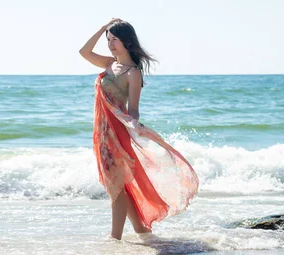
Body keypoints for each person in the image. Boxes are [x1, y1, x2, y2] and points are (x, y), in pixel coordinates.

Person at [79, 18, 199, 240]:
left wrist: (135, 128)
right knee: (118, 185)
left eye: (115, 40)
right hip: (102, 133)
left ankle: (114, 239)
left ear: (127, 42)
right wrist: (102, 28)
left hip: (118, 133)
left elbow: (133, 110)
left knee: (115, 185)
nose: (110, 44)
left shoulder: (133, 73)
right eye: (109, 40)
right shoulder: (109, 64)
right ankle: (142, 232)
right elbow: (84, 51)